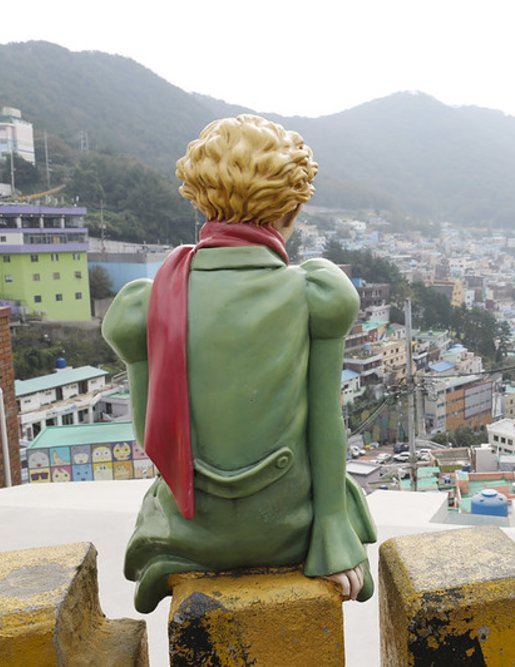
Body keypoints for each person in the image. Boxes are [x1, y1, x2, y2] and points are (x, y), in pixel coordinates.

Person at [103, 115, 375, 614]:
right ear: (291, 210)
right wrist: (332, 530)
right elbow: (325, 422)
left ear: (201, 197)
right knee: (348, 494)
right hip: (288, 534)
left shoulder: (147, 303)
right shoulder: (314, 292)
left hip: (190, 532)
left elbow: (151, 436)